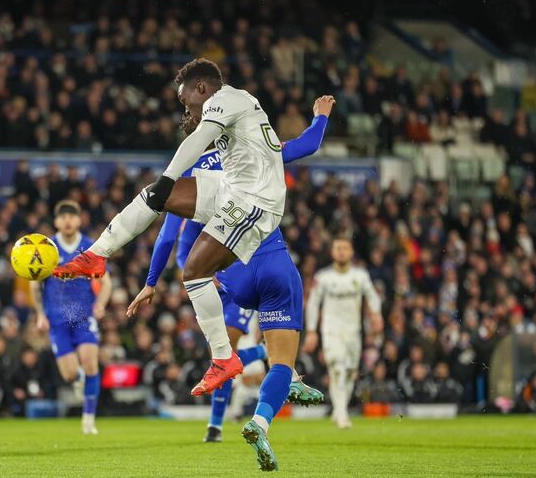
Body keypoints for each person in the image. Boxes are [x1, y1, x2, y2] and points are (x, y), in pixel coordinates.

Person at [55, 57, 335, 406]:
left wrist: (168, 176)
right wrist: (320, 118)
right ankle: (96, 256)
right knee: (157, 195)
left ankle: (223, 357)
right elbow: (301, 145)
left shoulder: (225, 100)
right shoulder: (240, 122)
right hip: (234, 187)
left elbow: (198, 138)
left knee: (193, 271)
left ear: (202, 88)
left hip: (255, 203)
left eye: (185, 99)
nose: (185, 108)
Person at [132, 113, 332, 443]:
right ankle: (283, 376)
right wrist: (321, 114)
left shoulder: (188, 174)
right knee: (271, 349)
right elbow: (309, 144)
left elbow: (171, 239)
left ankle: (218, 423)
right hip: (269, 265)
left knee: (226, 354)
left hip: (228, 279)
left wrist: (152, 281)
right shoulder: (257, 153)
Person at [32, 200, 112, 435]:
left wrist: (100, 304)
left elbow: (106, 282)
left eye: (72, 216)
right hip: (56, 318)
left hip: (83, 316)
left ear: (79, 220)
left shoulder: (90, 247)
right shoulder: (47, 249)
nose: (67, 220)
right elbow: (35, 285)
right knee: (69, 374)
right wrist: (39, 315)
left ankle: (88, 420)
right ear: (56, 221)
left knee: (90, 364)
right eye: (63, 216)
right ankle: (76, 380)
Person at [304, 237, 382, 429]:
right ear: (332, 252)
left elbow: (373, 297)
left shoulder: (360, 276)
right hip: (331, 331)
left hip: (353, 331)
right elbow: (313, 304)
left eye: (344, 248)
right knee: (337, 368)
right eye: (337, 248)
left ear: (351, 252)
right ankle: (342, 413)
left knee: (349, 373)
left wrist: (377, 316)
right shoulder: (323, 278)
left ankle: (340, 409)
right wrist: (312, 331)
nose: (341, 251)